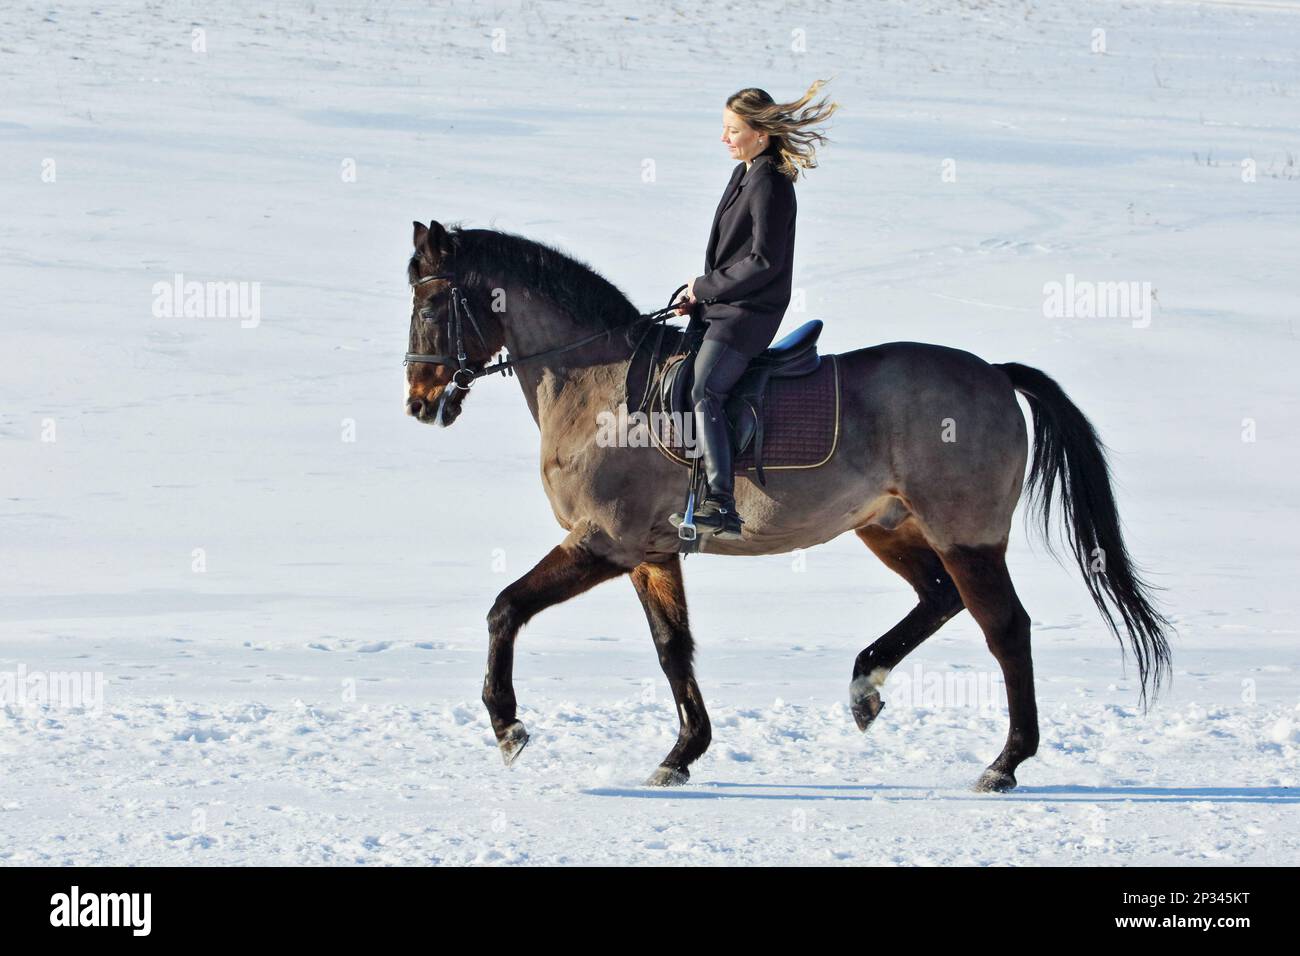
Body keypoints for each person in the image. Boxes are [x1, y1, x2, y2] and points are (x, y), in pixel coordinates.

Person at [669, 81, 839, 539]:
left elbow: (763, 261)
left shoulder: (769, 181)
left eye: (732, 130)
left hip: (749, 315)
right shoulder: (745, 172)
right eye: (724, 129)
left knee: (705, 388)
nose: (724, 138)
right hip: (726, 307)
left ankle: (721, 501)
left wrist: (705, 287)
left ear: (760, 134)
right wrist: (700, 297)